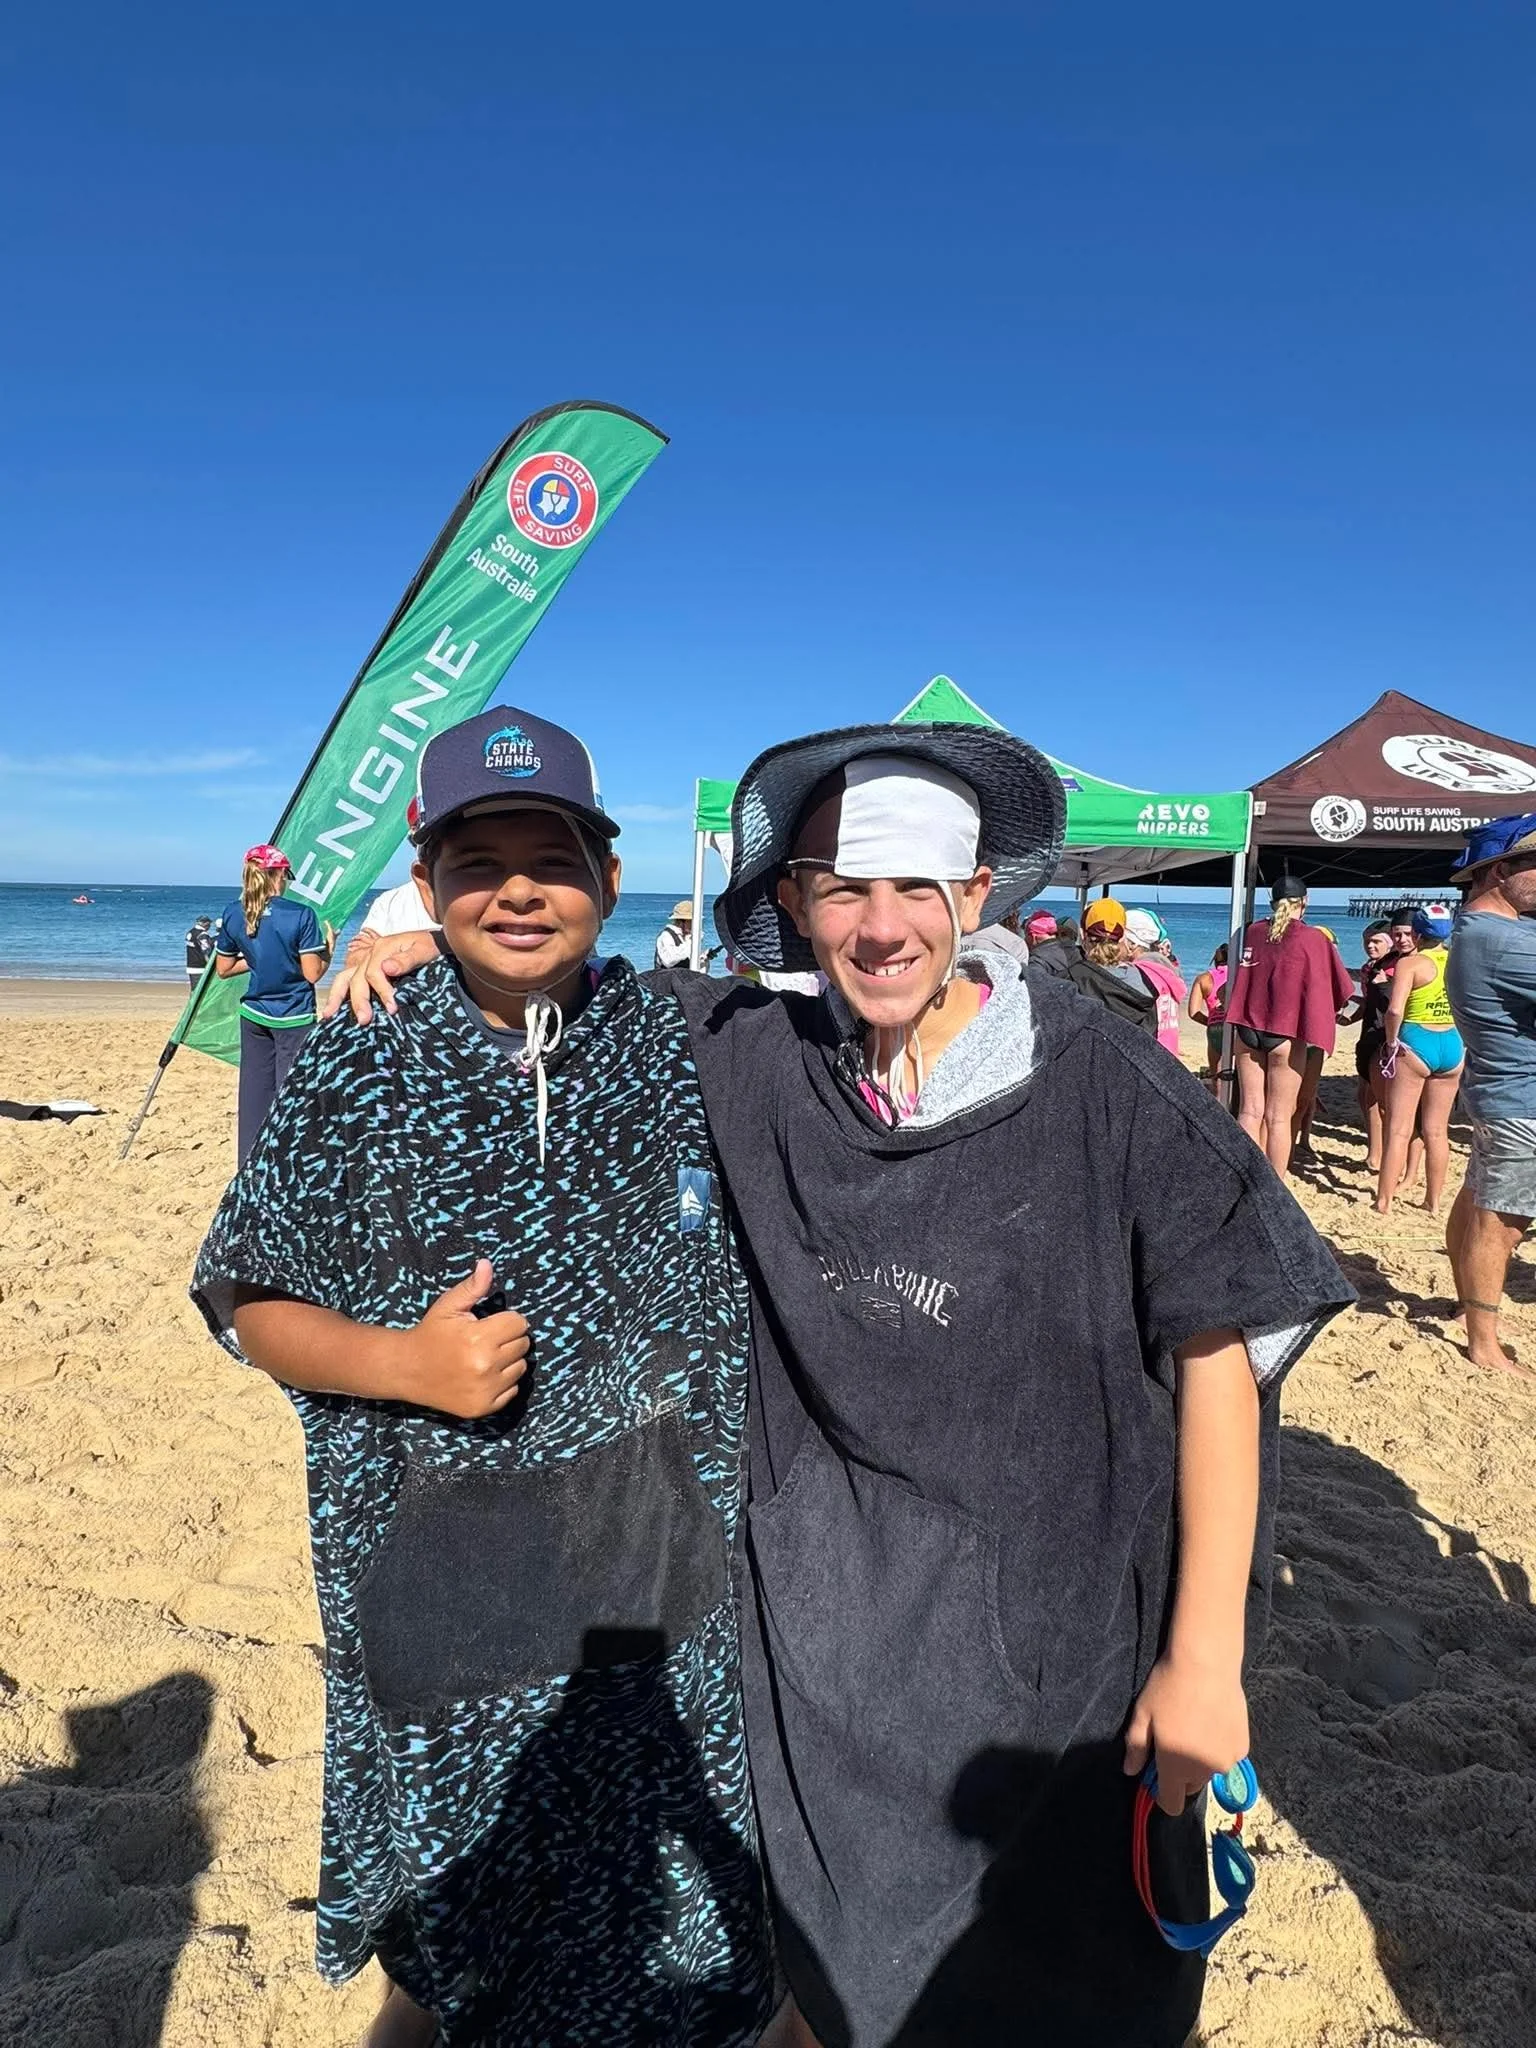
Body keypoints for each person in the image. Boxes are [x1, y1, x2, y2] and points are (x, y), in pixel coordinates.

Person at [330, 722, 1355, 2046]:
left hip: (1053, 1629)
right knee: (816, 1962)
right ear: (799, 899)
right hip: (824, 1620)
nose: (881, 928)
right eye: (846, 888)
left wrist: (1208, 1662)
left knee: (1045, 1976)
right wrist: (418, 942)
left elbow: (1226, 1339)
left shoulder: (1102, 1086)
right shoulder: (764, 1052)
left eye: (917, 888)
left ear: (975, 896)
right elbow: (573, 1009)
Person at [192, 708, 774, 2046]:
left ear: (612, 880)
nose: (517, 886)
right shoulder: (363, 1053)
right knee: (450, 1956)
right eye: (477, 860)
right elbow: (248, 1295)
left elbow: (862, 1014)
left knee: (690, 1944)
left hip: (664, 1611)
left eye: (551, 855)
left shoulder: (684, 1038)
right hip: (446, 1607)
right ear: (428, 880)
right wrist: (400, 1362)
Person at [1445, 813, 1536, 1376]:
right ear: (1502, 871)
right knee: (1503, 1220)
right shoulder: (1498, 938)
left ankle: (1466, 1312)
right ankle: (1483, 1342)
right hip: (1520, 1099)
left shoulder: (1487, 930)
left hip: (1498, 1093)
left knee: (1480, 1200)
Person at [1224, 876, 1354, 1179]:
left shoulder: (1251, 932)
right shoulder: (1313, 938)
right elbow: (1338, 989)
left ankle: (1244, 1178)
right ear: (1304, 902)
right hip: (1284, 1031)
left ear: (1272, 902)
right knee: (1279, 1117)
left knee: (1249, 1110)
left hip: (1247, 1026)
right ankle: (1275, 1187)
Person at [213, 845, 332, 1165]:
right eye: (287, 876)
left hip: (254, 1015)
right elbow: (312, 974)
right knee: (294, 1093)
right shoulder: (301, 914)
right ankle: (292, 1163)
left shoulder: (233, 912)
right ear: (279, 875)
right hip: (293, 1016)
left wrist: (261, 960)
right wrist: (329, 951)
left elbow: (223, 969)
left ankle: (250, 1166)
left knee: (254, 1096)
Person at [1374, 906, 1464, 1218]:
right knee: (1438, 1130)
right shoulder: (1458, 960)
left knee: (1398, 1128)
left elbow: (1395, 1010)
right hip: (1452, 1042)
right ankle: (1434, 1201)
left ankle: (1384, 1200)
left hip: (1415, 1039)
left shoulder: (1411, 963)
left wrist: (1390, 1041)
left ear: (1418, 933)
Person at [1342, 922, 1395, 1170]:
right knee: (1364, 1096)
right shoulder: (1368, 968)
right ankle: (1375, 1150)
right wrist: (1348, 1017)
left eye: (1376, 942)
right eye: (1367, 941)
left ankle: (1380, 1156)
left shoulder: (1396, 969)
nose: (1370, 946)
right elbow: (1368, 1003)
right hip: (1369, 1032)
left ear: (1390, 943)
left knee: (1377, 1098)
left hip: (1386, 1035)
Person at [1126, 909, 1187, 1057]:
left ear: (1132, 944)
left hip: (1148, 1056)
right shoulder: (1166, 971)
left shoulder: (1139, 974)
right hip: (1168, 1052)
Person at [1187, 944, 1229, 1089]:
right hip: (1236, 1026)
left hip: (1215, 1028)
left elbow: (1193, 1013)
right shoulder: (1240, 974)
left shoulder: (1203, 978)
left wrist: (1211, 1021)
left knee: (1216, 1077)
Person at [654, 899, 696, 969]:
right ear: (681, 921)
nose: (694, 925)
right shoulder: (666, 936)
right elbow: (668, 961)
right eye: (690, 922)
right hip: (666, 978)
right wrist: (690, 944)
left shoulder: (687, 937)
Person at [183, 914, 215, 990]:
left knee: (194, 990)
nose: (210, 926)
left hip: (191, 965)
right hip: (200, 967)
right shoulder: (202, 934)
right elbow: (206, 951)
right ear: (205, 924)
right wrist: (211, 965)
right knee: (201, 990)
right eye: (209, 924)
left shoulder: (190, 932)